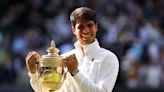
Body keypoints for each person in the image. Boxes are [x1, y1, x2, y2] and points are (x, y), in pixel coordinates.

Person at [26, 7, 119, 92]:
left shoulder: (109, 58)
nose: (86, 30)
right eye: (81, 27)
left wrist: (75, 72)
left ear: (96, 27)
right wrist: (33, 73)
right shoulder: (64, 58)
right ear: (73, 30)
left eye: (89, 25)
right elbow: (48, 90)